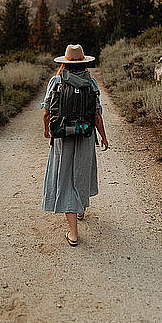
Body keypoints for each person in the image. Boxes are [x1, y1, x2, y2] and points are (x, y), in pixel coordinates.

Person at [41, 44, 108, 246]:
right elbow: (96, 115)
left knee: (65, 178)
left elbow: (46, 112)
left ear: (65, 62)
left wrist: (47, 129)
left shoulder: (56, 81)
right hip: (85, 135)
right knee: (81, 173)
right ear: (83, 62)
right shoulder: (91, 83)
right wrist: (103, 136)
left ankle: (73, 233)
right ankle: (80, 210)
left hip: (63, 137)